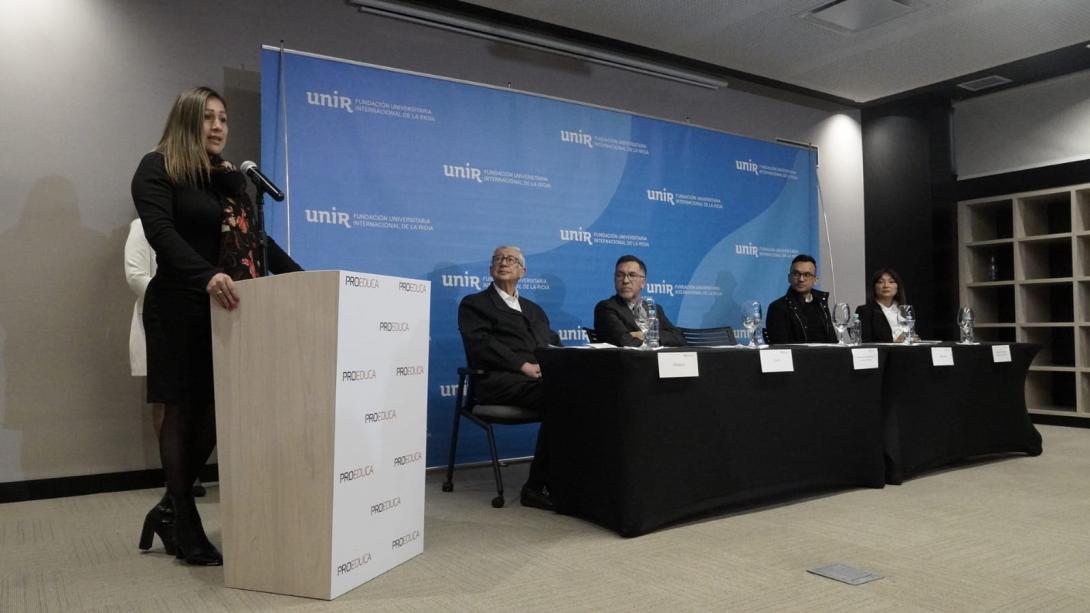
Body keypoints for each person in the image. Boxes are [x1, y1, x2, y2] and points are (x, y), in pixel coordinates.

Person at [132, 86, 302, 565]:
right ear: (187, 120)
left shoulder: (228, 180)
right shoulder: (158, 167)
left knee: (214, 415)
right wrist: (205, 274)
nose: (218, 126)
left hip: (225, 307)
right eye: (207, 117)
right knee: (182, 411)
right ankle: (185, 518)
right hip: (179, 305)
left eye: (224, 118)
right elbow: (160, 232)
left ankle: (169, 509)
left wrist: (308, 279)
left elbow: (258, 242)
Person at [457, 246, 559, 511]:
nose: (503, 263)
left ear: (522, 271)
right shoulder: (474, 304)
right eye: (498, 259)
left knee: (582, 395)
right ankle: (535, 487)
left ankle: (565, 479)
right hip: (497, 383)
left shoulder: (534, 310)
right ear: (491, 268)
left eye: (511, 259)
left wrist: (559, 365)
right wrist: (522, 366)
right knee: (561, 399)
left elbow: (552, 343)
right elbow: (481, 344)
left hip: (536, 382)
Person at [125, 220, 206, 498]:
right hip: (160, 317)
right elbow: (135, 275)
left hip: (198, 318)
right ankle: (175, 476)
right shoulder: (142, 226)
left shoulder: (196, 223)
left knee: (197, 400)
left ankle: (191, 469)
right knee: (166, 399)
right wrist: (175, 300)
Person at [593, 255, 686, 347]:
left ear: (643, 283)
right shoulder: (606, 308)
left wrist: (641, 334)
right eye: (620, 275)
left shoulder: (654, 309)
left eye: (632, 275)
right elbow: (624, 340)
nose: (625, 281)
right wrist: (653, 336)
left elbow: (679, 338)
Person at [765, 254, 836, 344]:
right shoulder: (777, 307)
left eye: (807, 274)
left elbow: (833, 341)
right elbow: (780, 347)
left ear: (815, 280)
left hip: (827, 353)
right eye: (796, 274)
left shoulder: (821, 303)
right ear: (789, 278)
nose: (801, 279)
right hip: (797, 353)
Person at [855, 268, 909, 343]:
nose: (886, 285)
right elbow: (865, 343)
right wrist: (895, 344)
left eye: (891, 282)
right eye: (880, 282)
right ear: (874, 287)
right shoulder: (864, 311)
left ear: (897, 287)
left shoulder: (904, 310)